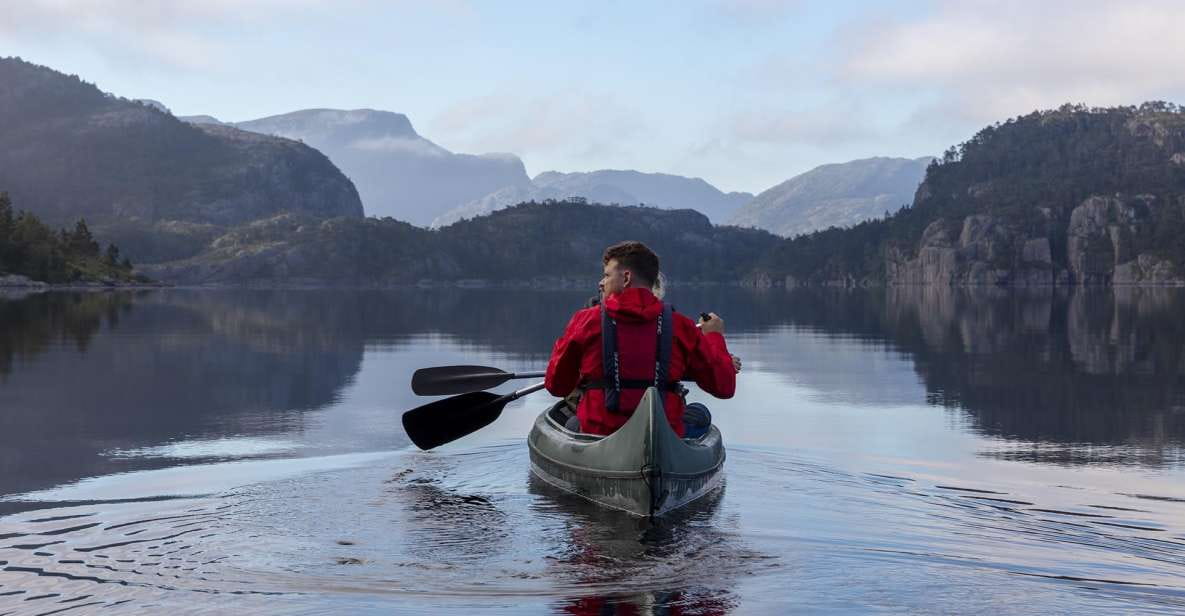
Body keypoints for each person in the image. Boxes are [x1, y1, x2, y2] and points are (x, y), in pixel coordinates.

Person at [545, 241, 737, 437]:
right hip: (662, 434)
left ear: (626, 277)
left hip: (600, 433)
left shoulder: (585, 320)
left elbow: (556, 385)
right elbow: (724, 386)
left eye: (607, 275)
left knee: (565, 420)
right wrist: (713, 336)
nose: (601, 282)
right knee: (700, 413)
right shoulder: (682, 326)